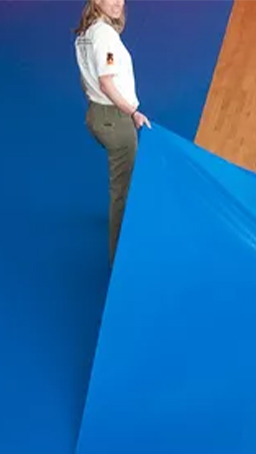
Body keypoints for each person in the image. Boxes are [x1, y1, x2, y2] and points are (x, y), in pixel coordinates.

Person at [75, 0, 150, 264]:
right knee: (123, 190)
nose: (118, 2)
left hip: (96, 115)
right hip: (115, 121)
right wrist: (132, 112)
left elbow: (88, 80)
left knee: (121, 184)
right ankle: (119, 257)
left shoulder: (86, 32)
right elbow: (106, 82)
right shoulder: (105, 35)